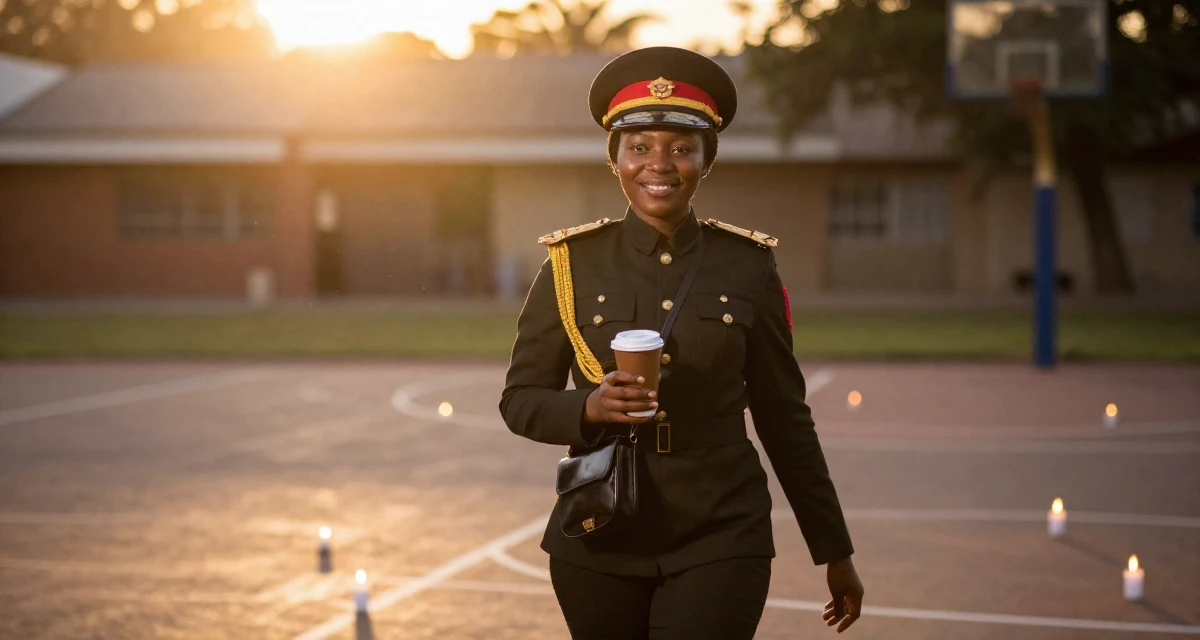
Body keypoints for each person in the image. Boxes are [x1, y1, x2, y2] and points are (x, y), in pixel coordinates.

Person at [499, 46, 863, 639]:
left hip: (722, 528)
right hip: (601, 526)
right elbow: (519, 400)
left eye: (680, 148)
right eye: (638, 147)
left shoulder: (748, 266)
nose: (658, 164)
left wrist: (834, 548)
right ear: (614, 158)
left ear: (706, 160)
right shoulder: (569, 264)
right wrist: (587, 408)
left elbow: (784, 417)